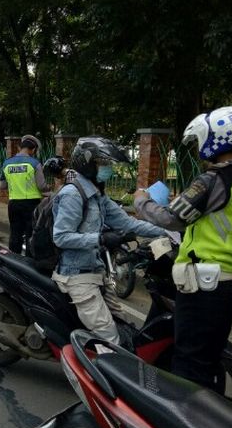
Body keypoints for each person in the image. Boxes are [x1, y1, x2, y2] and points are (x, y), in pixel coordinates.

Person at [133, 106, 232, 390]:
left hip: (202, 285)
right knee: (207, 359)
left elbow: (171, 217)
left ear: (219, 138)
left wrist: (141, 200)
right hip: (229, 281)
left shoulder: (212, 179)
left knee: (188, 364)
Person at [52, 136, 166, 345]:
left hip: (97, 272)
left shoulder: (98, 196)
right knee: (109, 337)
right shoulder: (73, 195)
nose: (108, 169)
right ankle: (94, 376)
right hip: (76, 276)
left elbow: (128, 224)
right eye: (103, 163)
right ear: (87, 163)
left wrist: (168, 231)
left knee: (122, 325)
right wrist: (101, 238)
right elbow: (61, 237)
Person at [0, 135, 48, 254]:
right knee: (30, 235)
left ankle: (13, 261)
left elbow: (2, 185)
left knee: (15, 234)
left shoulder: (7, 163)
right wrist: (49, 189)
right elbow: (41, 186)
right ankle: (28, 263)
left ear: (20, 147)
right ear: (33, 149)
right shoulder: (34, 163)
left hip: (13, 204)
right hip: (31, 204)